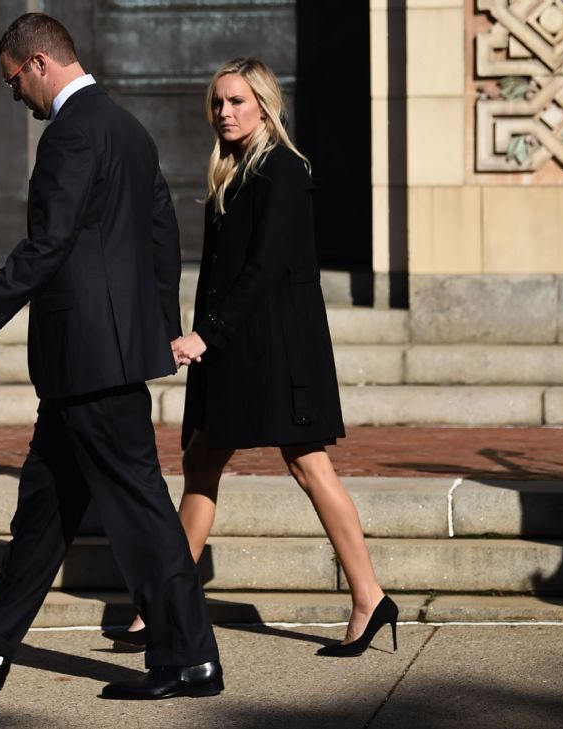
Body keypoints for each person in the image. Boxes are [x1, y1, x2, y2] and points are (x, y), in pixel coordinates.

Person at [0, 13, 223, 699]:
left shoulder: (71, 134)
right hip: (99, 356)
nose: (16, 96)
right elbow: (163, 234)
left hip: (87, 359)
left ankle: (189, 656)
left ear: (41, 63)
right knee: (44, 509)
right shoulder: (129, 131)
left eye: (14, 81)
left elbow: (46, 245)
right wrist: (153, 328)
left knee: (140, 510)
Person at [109, 57, 396, 657]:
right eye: (217, 102)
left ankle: (369, 598)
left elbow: (265, 271)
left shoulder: (284, 172)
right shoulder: (232, 171)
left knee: (308, 465)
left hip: (278, 350)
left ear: (264, 105)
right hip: (235, 345)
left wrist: (203, 336)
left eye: (237, 101)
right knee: (202, 461)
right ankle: (166, 604)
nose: (225, 112)